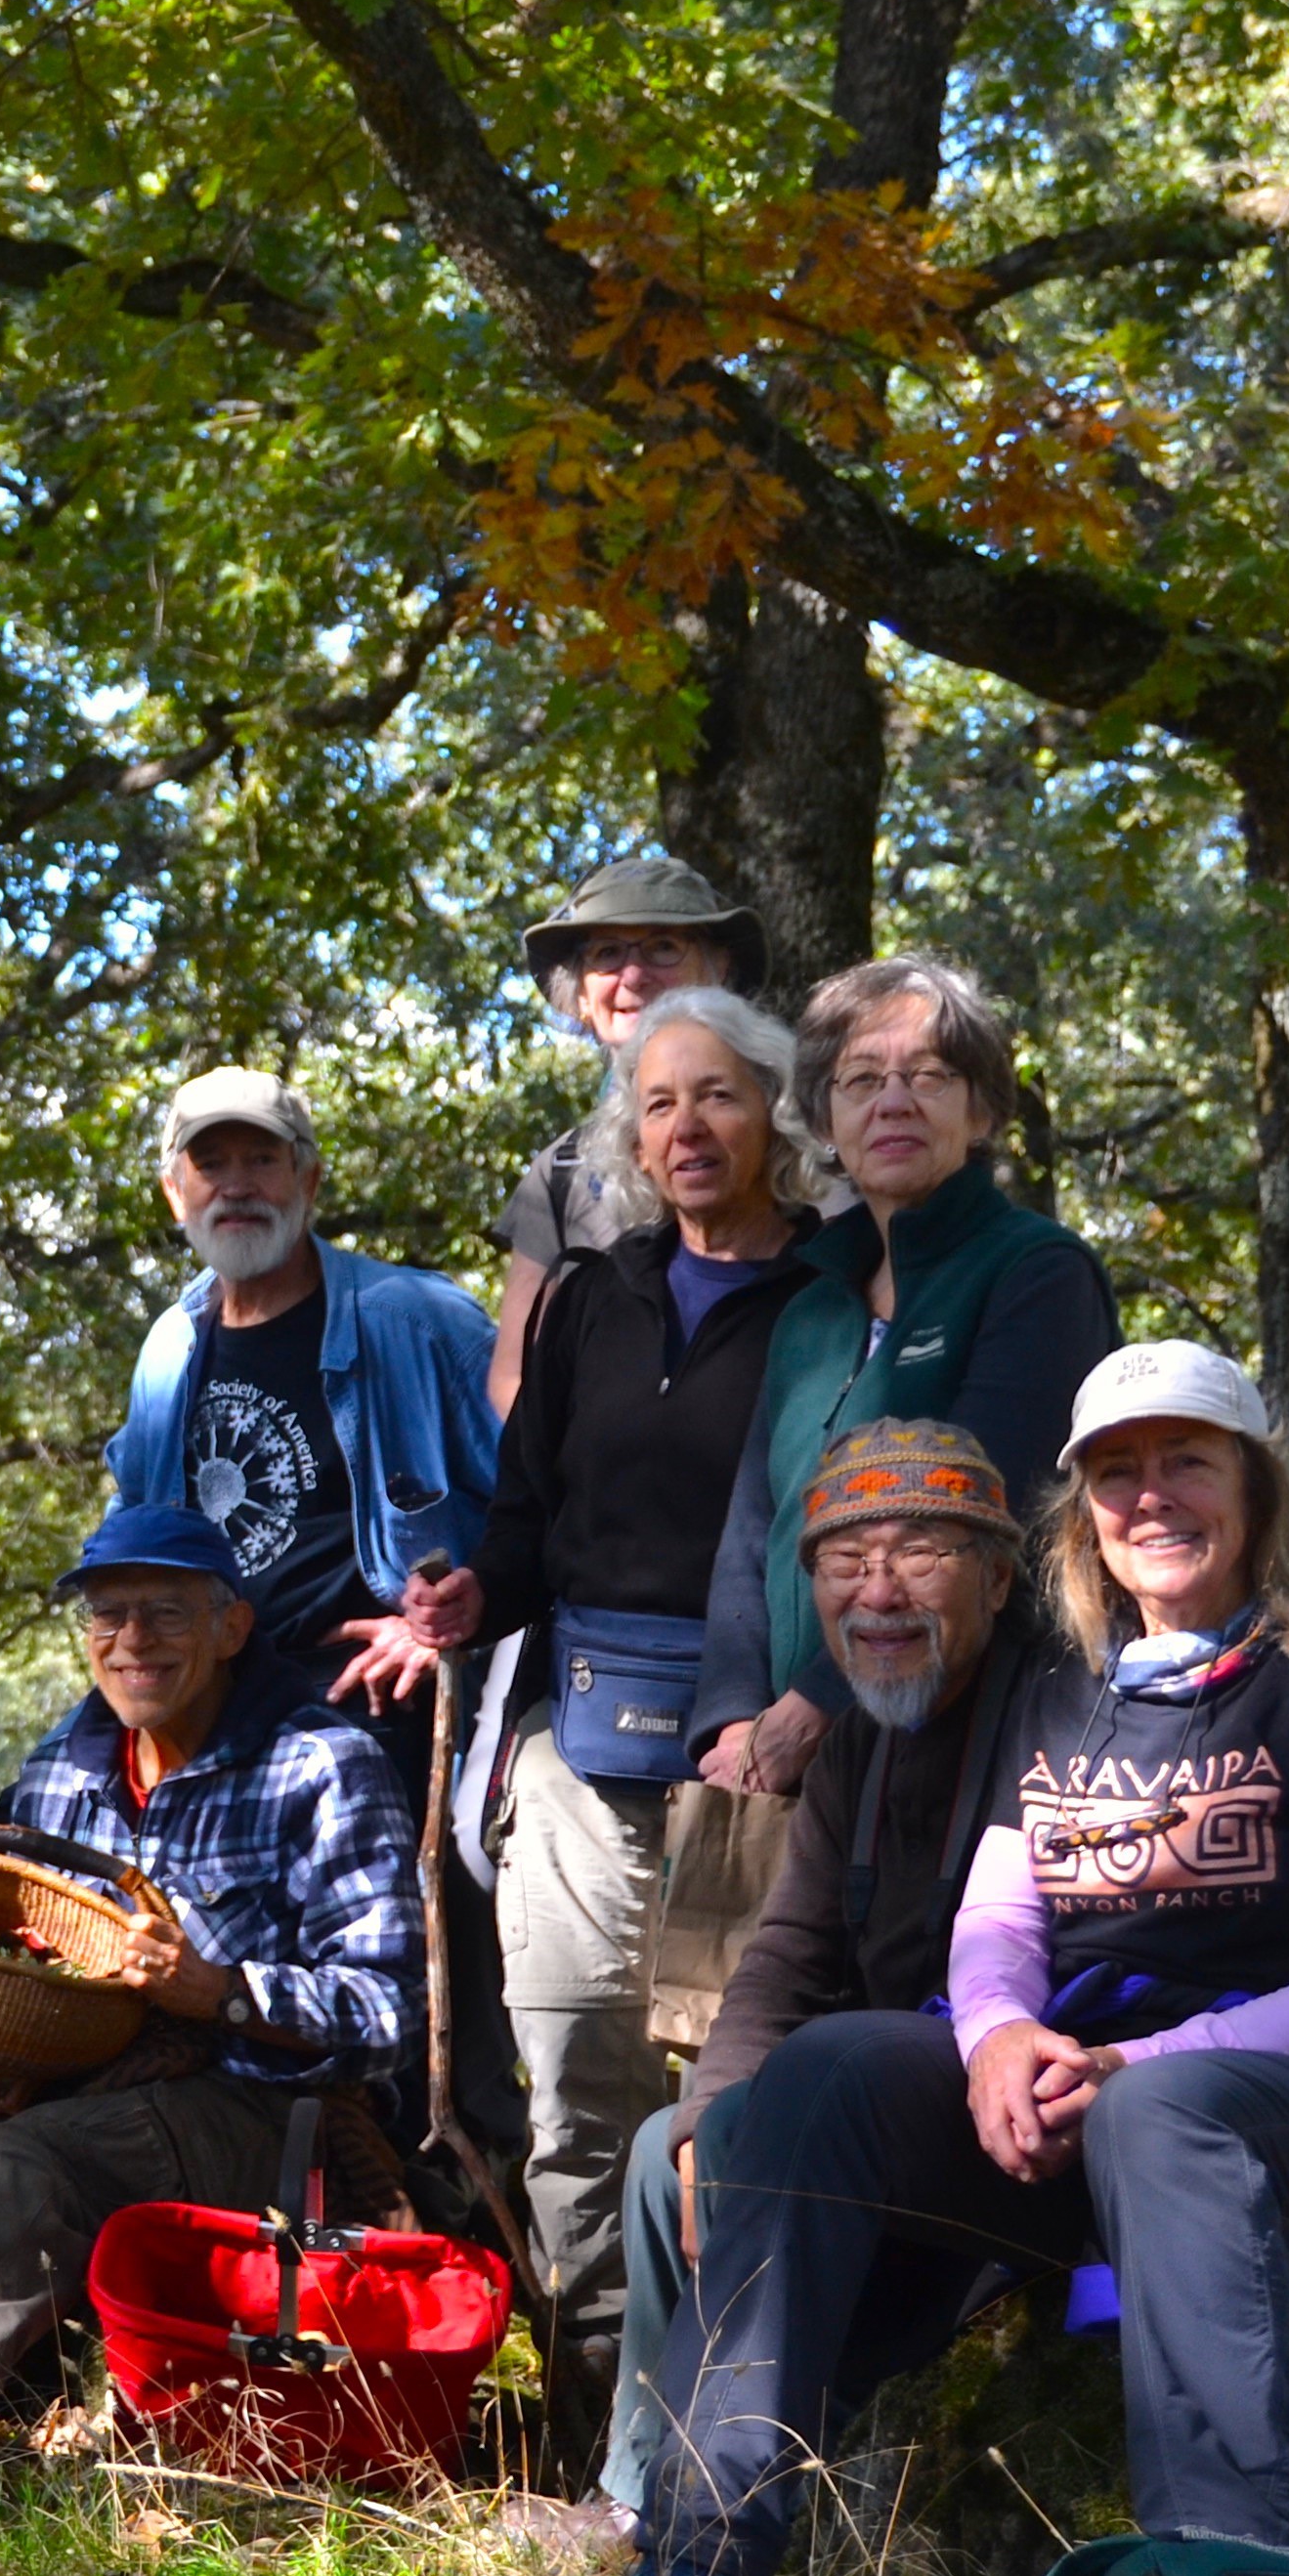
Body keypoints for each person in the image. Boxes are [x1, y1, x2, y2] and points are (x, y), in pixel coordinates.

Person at [625, 1348, 1289, 2576]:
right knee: (828, 2073)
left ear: (1253, 1487)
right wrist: (1002, 2041)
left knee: (1166, 2115)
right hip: (1090, 2104)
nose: (1153, 1499)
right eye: (1118, 1474)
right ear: (1082, 1512)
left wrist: (1137, 2067)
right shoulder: (1066, 1694)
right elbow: (999, 1923)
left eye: (1188, 1461)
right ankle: (701, 2556)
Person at [390, 990, 823, 2427]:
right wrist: (469, 1602)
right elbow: (527, 1524)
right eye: (658, 1103)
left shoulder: (837, 1294)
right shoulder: (591, 1296)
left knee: (725, 2102)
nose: (687, 1126)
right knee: (578, 2084)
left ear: (775, 1114)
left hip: (756, 1757)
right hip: (575, 1742)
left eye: (718, 1096)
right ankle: (596, 2430)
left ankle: (732, 2437)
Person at [0, 1507, 424, 2441]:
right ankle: (28, 2350)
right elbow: (26, 1943)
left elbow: (387, 2011)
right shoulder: (63, 1764)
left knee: (28, 2163)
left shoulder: (321, 1766)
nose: (132, 1641)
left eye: (166, 1614)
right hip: (71, 2090)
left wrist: (219, 1990)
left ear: (230, 1628)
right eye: (107, 1615)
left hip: (254, 2107)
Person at [691, 956, 1117, 1803]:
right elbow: (752, 1529)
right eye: (860, 1079)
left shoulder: (1036, 1271)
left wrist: (816, 1703)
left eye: (929, 1075)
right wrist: (735, 1714)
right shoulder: (811, 1310)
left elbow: (984, 1514)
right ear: (823, 1117)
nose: (893, 1101)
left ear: (983, 1107)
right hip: (788, 1762)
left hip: (970, 1748)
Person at [101, 1068, 496, 1712]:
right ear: (175, 1194)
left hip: (374, 1698)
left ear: (308, 1180)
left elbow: (539, 1494)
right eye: (211, 1165)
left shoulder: (415, 1319)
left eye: (262, 1159)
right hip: (214, 1704)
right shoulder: (170, 1349)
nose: (236, 1187)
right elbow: (134, 1533)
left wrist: (455, 1628)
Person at [489, 859, 765, 1415]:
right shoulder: (561, 1169)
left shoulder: (789, 1132)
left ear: (719, 969)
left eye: (662, 946)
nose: (633, 976)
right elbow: (514, 1374)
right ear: (583, 999)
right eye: (606, 954)